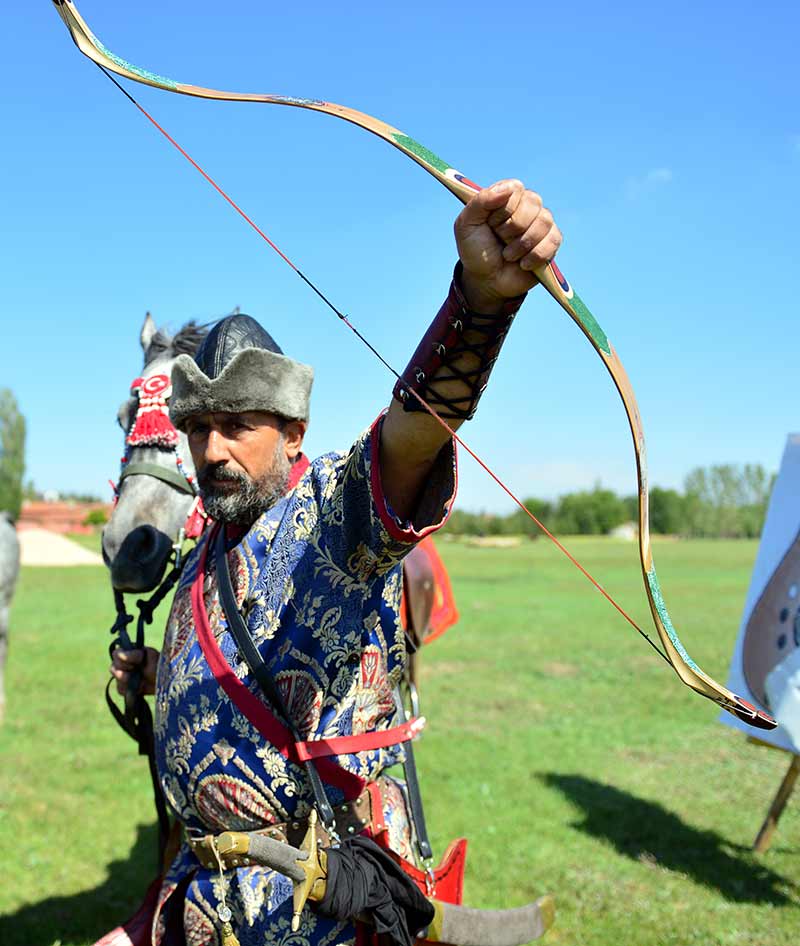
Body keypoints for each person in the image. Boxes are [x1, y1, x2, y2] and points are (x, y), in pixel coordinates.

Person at [112, 179, 561, 946]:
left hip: (319, 911)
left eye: (236, 425)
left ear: (292, 432)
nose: (211, 449)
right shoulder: (206, 548)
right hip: (201, 903)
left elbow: (412, 434)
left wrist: (480, 302)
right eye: (198, 429)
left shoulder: (331, 515)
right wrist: (162, 673)